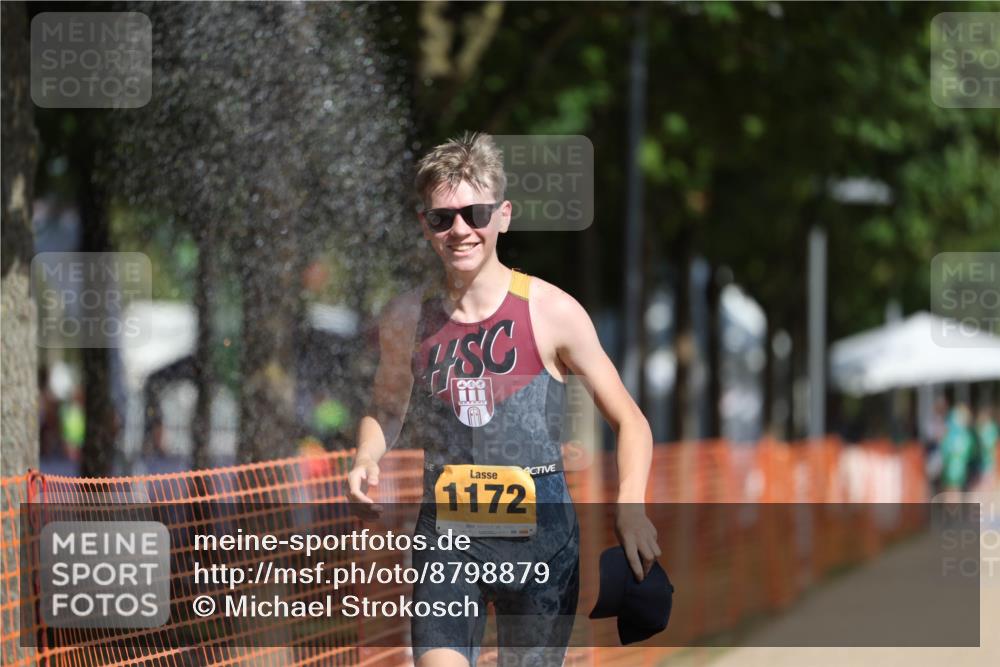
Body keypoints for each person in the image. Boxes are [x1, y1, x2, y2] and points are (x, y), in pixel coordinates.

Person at [346, 132, 658, 666]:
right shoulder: (406, 318)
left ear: (503, 216)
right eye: (443, 218)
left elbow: (630, 420)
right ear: (425, 225)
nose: (460, 230)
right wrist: (365, 456)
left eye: (475, 213)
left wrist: (632, 508)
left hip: (543, 544)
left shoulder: (552, 311)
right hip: (448, 536)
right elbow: (388, 407)